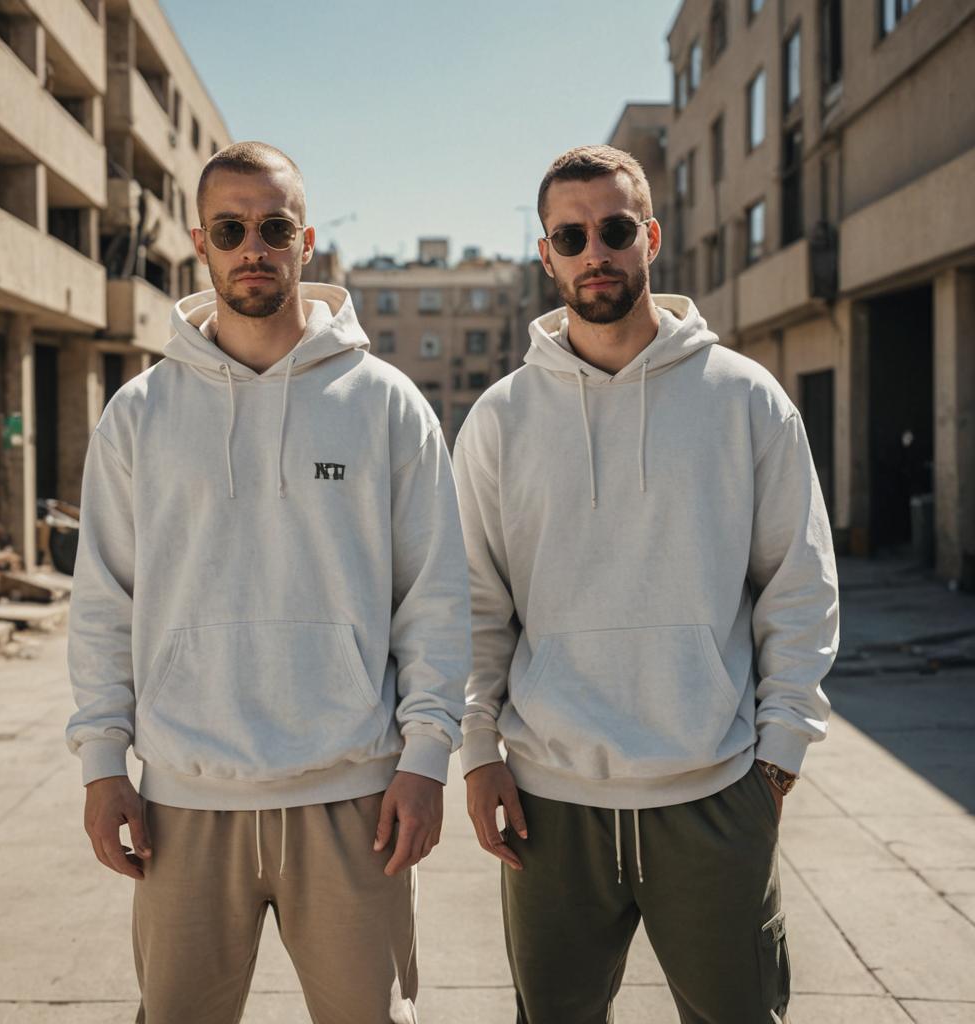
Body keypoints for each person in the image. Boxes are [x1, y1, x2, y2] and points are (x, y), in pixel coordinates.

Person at [66, 141, 470, 1024]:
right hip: (185, 797)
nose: (254, 245)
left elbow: (435, 598)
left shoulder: (386, 403)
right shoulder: (140, 413)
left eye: (274, 227)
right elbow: (103, 601)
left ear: (306, 241)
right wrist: (103, 765)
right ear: (201, 244)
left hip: (352, 796)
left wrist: (428, 758)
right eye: (232, 228)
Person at [454, 145, 838, 1024]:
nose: (597, 252)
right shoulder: (501, 419)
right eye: (572, 235)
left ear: (651, 238)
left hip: (711, 796)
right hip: (551, 805)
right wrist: (478, 754)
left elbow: (799, 582)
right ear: (546, 255)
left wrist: (779, 751)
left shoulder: (744, 398)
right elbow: (473, 606)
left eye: (616, 229)